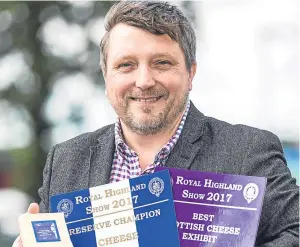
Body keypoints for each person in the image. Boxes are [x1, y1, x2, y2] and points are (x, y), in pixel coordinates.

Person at [13, 1, 299, 247]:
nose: (144, 81)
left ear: (190, 74)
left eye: (161, 63)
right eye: (126, 65)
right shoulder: (66, 160)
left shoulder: (248, 151)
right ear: (106, 76)